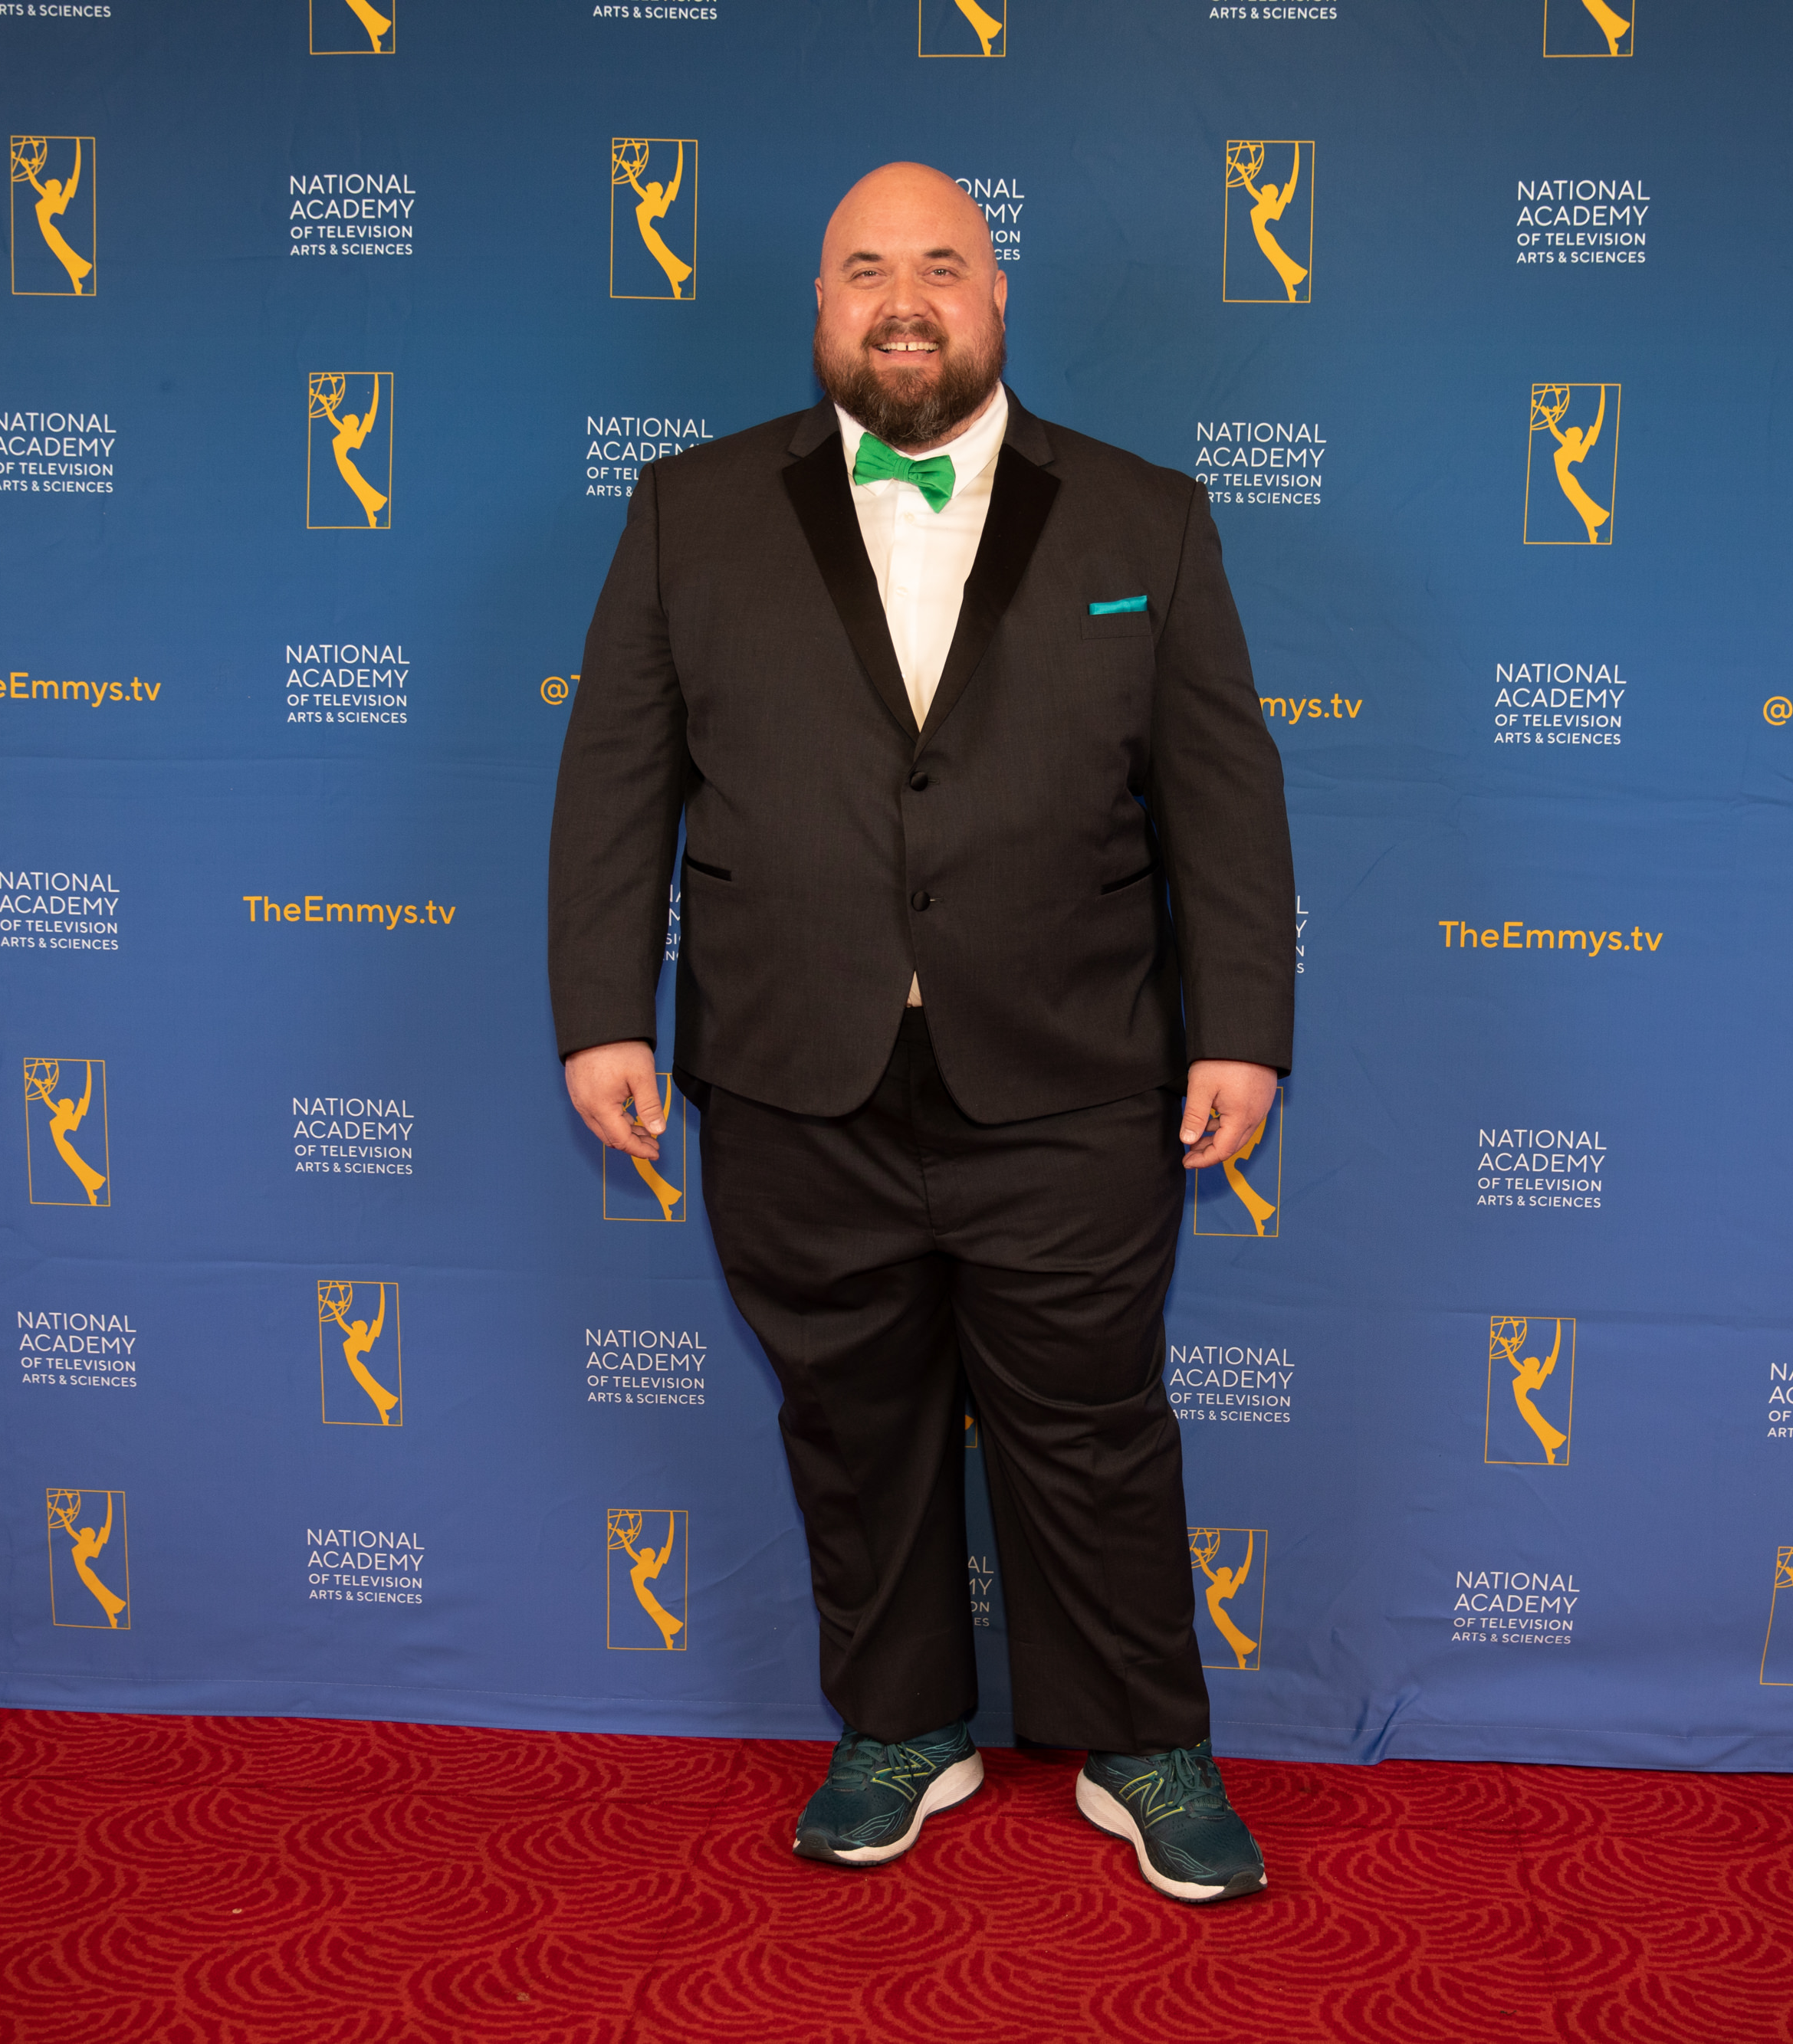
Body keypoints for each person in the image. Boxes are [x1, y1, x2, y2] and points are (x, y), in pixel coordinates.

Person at [550, 161, 1294, 1905]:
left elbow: (1222, 797)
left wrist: (1242, 1027)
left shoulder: (1145, 517)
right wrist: (601, 1014)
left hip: (1069, 1067)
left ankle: (1140, 1741)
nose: (905, 301)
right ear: (820, 307)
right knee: (849, 1417)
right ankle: (900, 1723)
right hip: (791, 1065)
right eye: (867, 269)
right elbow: (616, 778)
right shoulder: (687, 509)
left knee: (1093, 1426)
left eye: (942, 266)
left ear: (996, 298)